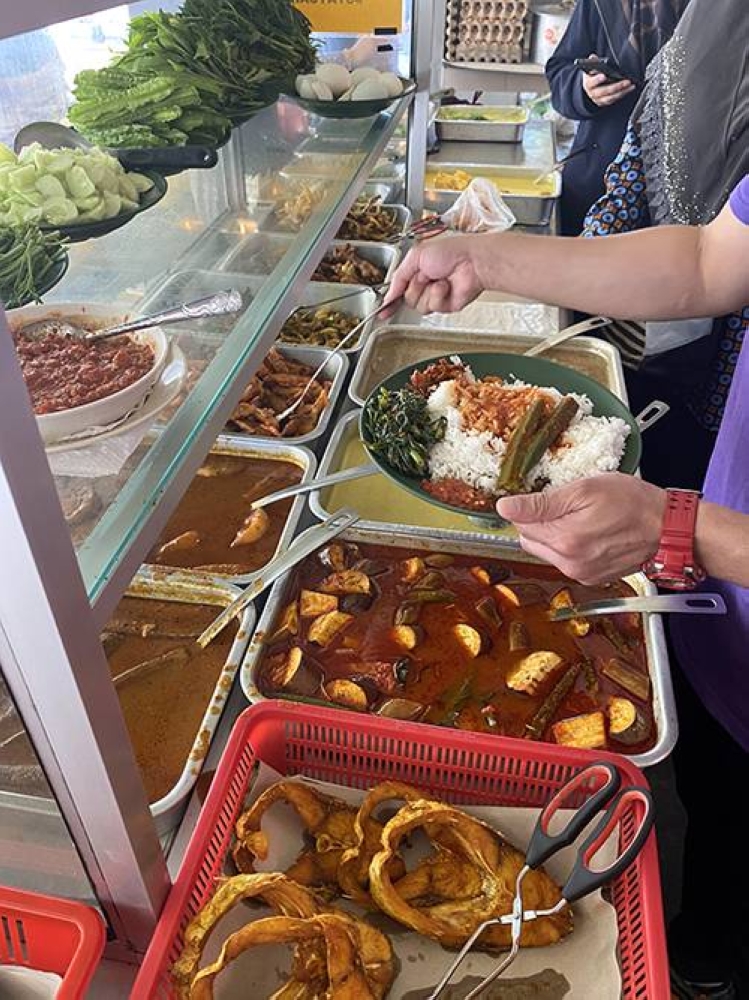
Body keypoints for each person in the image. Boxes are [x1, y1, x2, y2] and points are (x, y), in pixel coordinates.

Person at [384, 175, 749, 998]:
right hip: (721, 616)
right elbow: (705, 262)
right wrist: (481, 255)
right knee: (714, 820)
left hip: (712, 552)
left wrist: (691, 532)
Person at [579, 0, 749, 491]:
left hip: (725, 364)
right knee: (671, 479)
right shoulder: (705, 27)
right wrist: (594, 273)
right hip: (663, 333)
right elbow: (634, 167)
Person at [546, 0, 688, 235]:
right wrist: (583, 89)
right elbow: (559, 73)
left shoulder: (711, 9)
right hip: (597, 185)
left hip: (683, 192)